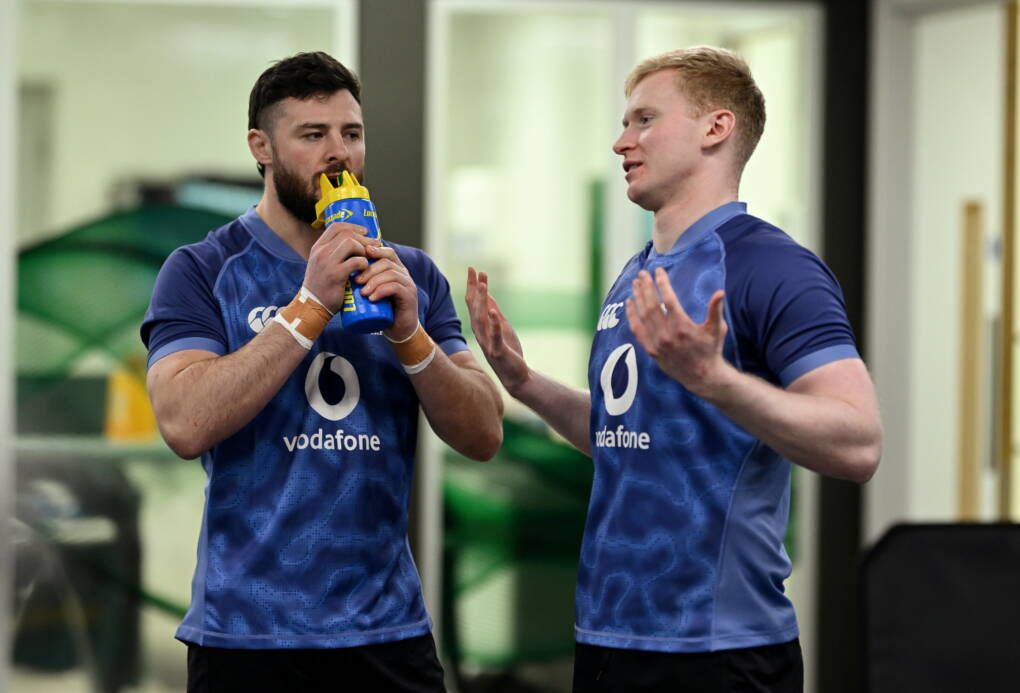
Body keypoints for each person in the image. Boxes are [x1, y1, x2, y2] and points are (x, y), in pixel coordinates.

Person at [465, 46, 881, 692]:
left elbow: (859, 441)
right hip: (607, 636)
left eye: (643, 120)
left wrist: (718, 381)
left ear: (716, 128)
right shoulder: (637, 274)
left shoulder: (773, 268)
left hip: (718, 652)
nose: (620, 142)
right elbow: (624, 437)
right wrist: (524, 383)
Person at [142, 51, 503, 692]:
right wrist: (308, 307)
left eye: (351, 134)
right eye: (313, 135)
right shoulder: (202, 268)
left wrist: (410, 334)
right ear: (262, 147)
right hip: (246, 634)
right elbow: (183, 421)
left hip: (387, 632)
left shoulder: (411, 274)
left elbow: (483, 434)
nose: (339, 153)